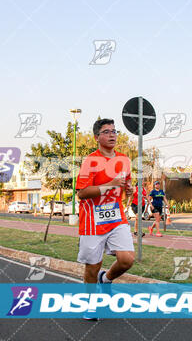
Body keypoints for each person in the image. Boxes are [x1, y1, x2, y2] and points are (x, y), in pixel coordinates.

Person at [76, 118, 135, 321]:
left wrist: (129, 190)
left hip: (116, 217)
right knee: (92, 265)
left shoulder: (125, 160)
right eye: (107, 131)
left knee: (127, 260)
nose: (112, 135)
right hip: (92, 220)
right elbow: (82, 193)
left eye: (114, 131)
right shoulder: (90, 161)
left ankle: (107, 278)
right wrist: (109, 184)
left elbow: (125, 189)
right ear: (96, 137)